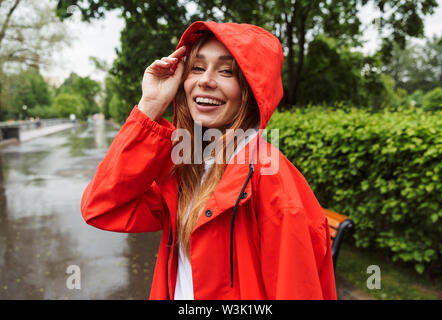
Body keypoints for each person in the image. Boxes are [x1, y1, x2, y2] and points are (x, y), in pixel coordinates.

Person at [81, 21, 337, 300]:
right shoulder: (188, 167)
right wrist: (150, 106)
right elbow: (101, 206)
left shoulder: (271, 181)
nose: (206, 80)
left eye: (227, 71)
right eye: (197, 68)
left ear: (251, 91)